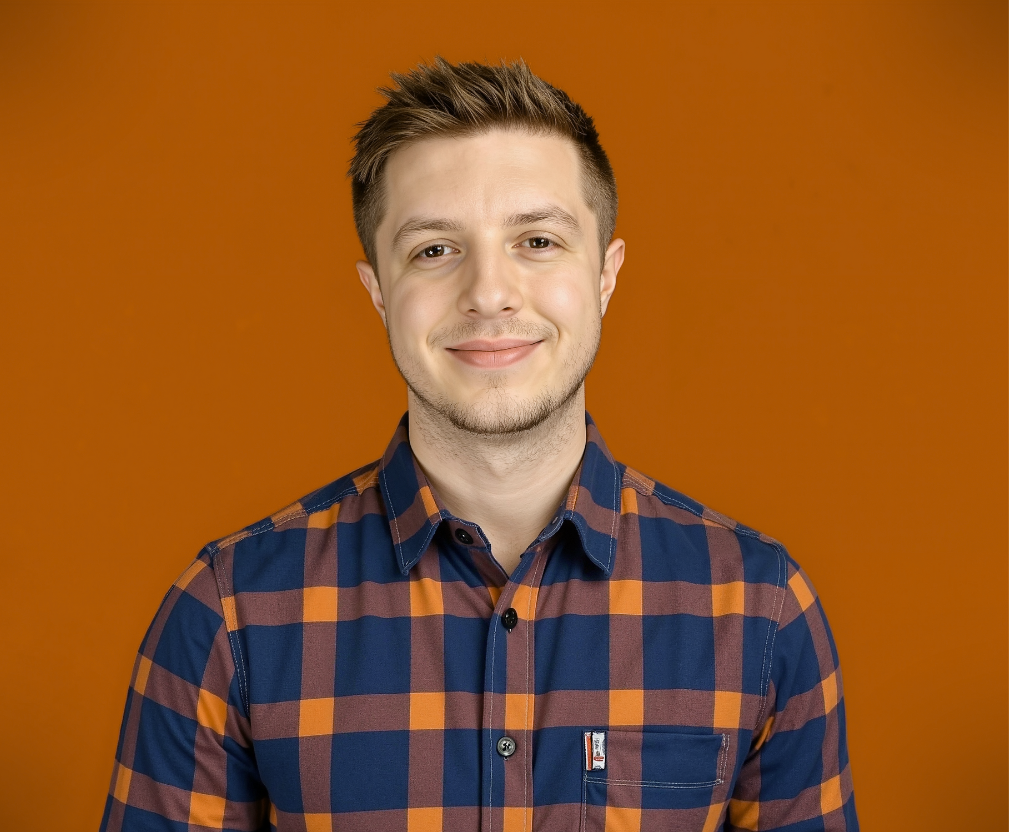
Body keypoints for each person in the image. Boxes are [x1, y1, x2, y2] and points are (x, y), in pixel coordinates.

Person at [100, 58, 857, 832]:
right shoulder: (227, 616)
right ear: (377, 292)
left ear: (604, 275)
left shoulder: (759, 610)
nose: (489, 292)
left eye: (536, 240)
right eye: (434, 249)